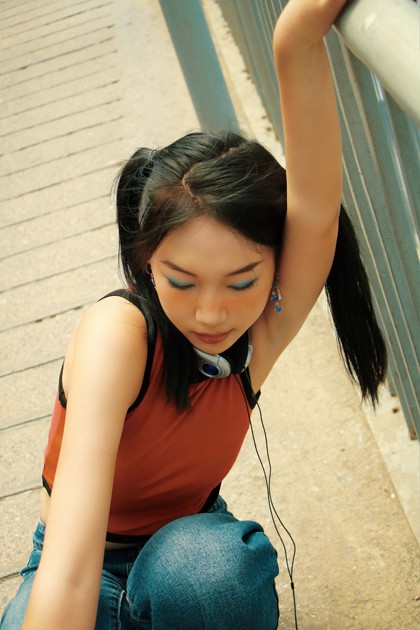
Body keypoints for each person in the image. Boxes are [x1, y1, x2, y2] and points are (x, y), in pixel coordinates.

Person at [1, 1, 387, 628]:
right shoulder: (118, 336)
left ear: (275, 266)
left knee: (212, 573)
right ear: (146, 262)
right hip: (81, 566)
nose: (211, 313)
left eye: (242, 282)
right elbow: (69, 569)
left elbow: (317, 212)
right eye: (181, 282)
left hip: (184, 561)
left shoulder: (260, 333)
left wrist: (295, 37)